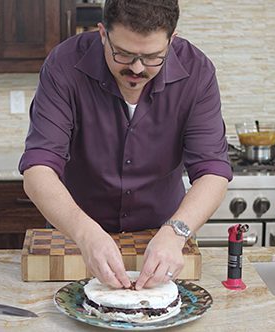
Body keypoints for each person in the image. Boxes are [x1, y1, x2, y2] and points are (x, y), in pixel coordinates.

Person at [19, 0, 232, 290]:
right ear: (103, 34)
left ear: (173, 39)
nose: (137, 68)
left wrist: (176, 232)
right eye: (123, 54)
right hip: (77, 234)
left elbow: (213, 173)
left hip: (164, 236)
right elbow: (38, 169)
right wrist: (84, 233)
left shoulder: (198, 72)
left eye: (153, 56)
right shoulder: (64, 65)